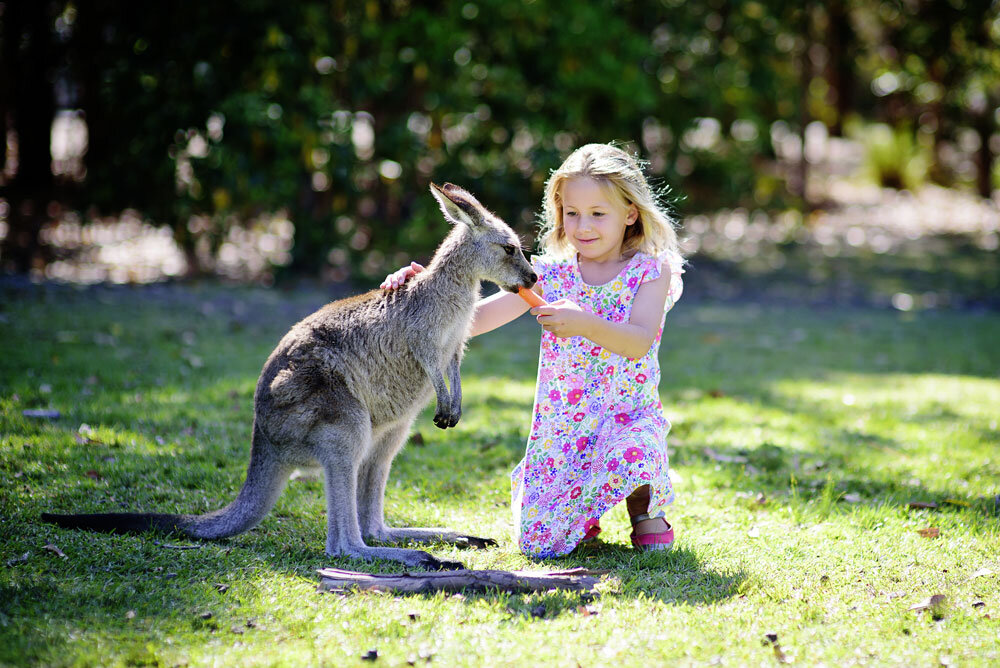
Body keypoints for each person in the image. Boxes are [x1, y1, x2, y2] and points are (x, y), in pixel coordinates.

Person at [381, 143, 684, 558]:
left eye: (598, 213)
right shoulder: (549, 274)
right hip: (563, 431)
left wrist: (586, 324)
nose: (583, 226)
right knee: (538, 544)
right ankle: (580, 510)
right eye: (571, 213)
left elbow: (638, 341)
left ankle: (643, 507)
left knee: (635, 453)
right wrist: (427, 291)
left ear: (630, 213)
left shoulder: (649, 270)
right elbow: (476, 322)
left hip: (625, 416)